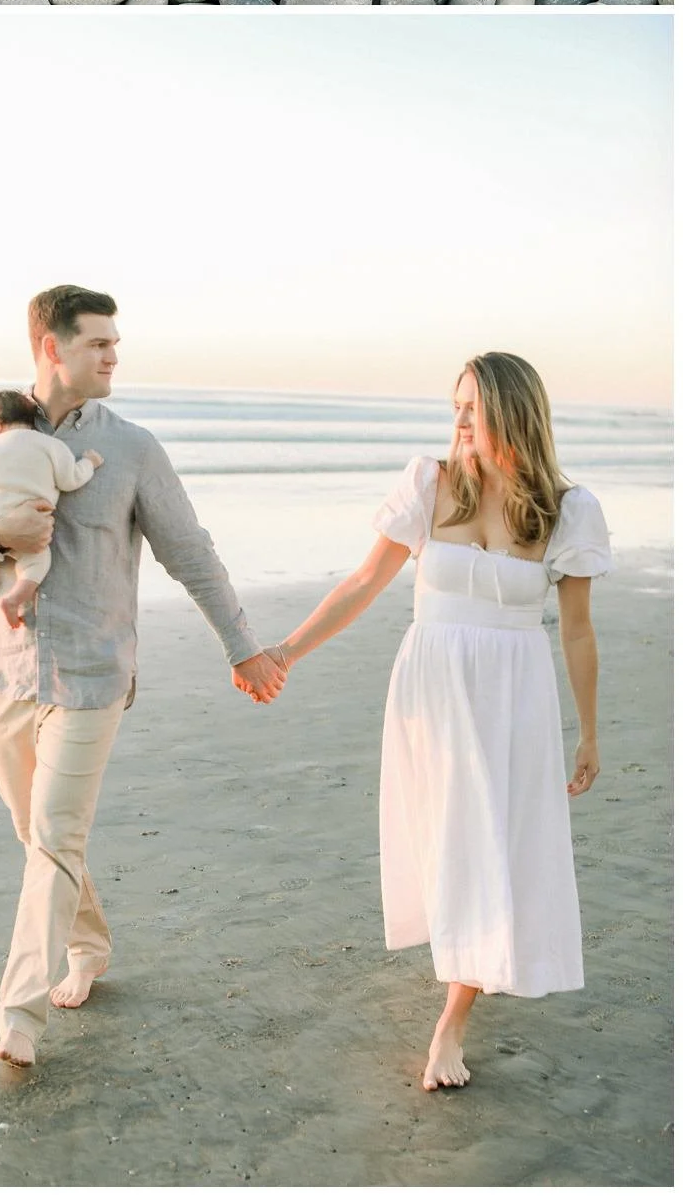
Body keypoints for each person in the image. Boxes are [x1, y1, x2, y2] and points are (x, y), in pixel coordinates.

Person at [0, 282, 282, 1065]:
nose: (114, 354)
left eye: (116, 341)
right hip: (3, 673)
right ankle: (89, 945)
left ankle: (18, 1016)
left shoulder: (133, 447)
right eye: (98, 342)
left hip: (92, 676)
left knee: (53, 839)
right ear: (52, 347)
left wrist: (242, 646)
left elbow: (192, 554)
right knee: (35, 833)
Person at [248, 352, 611, 1094]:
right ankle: (467, 964)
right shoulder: (429, 481)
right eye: (456, 406)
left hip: (514, 691)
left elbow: (577, 629)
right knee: (448, 838)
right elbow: (364, 582)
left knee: (493, 843)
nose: (460, 420)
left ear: (515, 411)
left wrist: (590, 730)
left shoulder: (569, 510)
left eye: (474, 407)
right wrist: (287, 649)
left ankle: (453, 1017)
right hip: (433, 685)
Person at [0, 391, 104, 629]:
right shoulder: (52, 446)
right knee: (38, 562)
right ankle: (14, 599)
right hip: (31, 526)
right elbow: (71, 480)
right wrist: (89, 462)